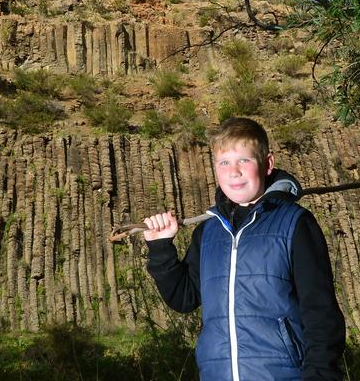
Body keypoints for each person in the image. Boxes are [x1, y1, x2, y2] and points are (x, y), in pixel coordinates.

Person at [143, 117, 345, 381]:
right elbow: (184, 298)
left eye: (244, 160)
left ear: (268, 164)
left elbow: (321, 313)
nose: (233, 171)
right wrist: (160, 249)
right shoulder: (208, 232)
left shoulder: (295, 224)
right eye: (224, 162)